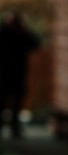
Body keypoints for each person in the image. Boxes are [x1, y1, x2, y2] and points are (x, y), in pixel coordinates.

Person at [0, 11, 40, 139]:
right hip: (3, 75)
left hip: (18, 74)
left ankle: (15, 128)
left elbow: (35, 43)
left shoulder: (21, 35)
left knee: (17, 103)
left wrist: (24, 31)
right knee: (2, 103)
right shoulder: (3, 34)